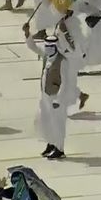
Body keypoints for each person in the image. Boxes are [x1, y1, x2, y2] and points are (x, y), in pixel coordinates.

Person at [24, 26, 71, 160]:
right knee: (46, 121)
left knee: (58, 123)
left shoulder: (62, 61)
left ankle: (59, 148)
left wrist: (58, 100)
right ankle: (51, 143)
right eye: (47, 46)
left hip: (56, 97)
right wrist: (28, 35)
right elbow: (33, 48)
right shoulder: (46, 56)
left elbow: (65, 82)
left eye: (51, 46)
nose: (48, 48)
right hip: (45, 95)